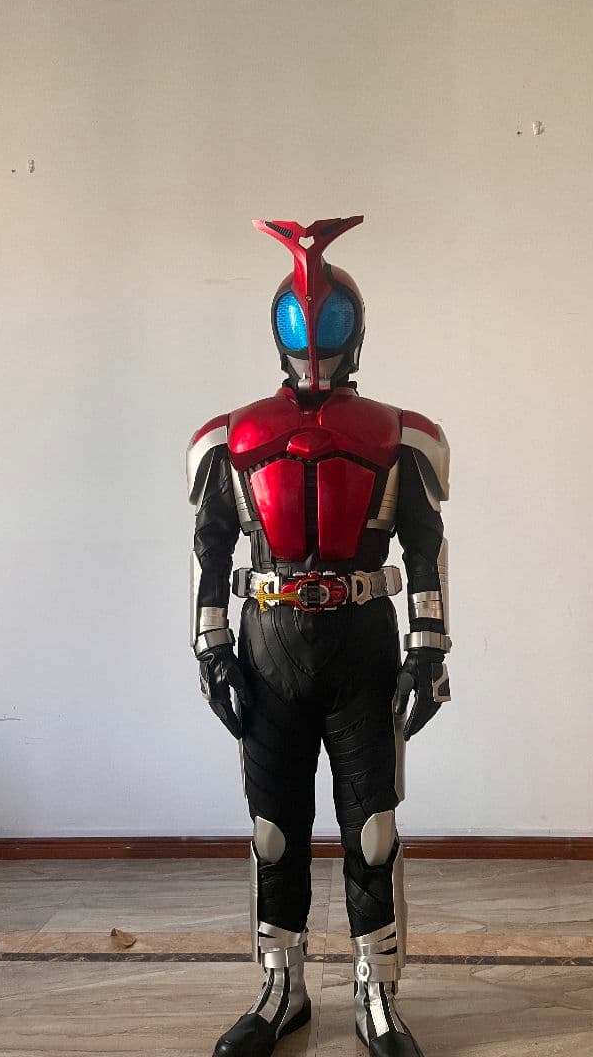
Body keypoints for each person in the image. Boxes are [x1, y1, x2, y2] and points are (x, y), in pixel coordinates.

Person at [186, 217, 451, 1057]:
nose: (313, 335)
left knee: (372, 826)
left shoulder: (399, 434)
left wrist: (430, 648)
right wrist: (211, 648)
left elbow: (425, 544)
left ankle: (378, 992)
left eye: (328, 317)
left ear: (354, 326)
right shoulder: (231, 437)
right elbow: (210, 547)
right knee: (274, 826)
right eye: (301, 318)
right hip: (268, 645)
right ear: (277, 327)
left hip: (363, 643)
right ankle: (281, 987)